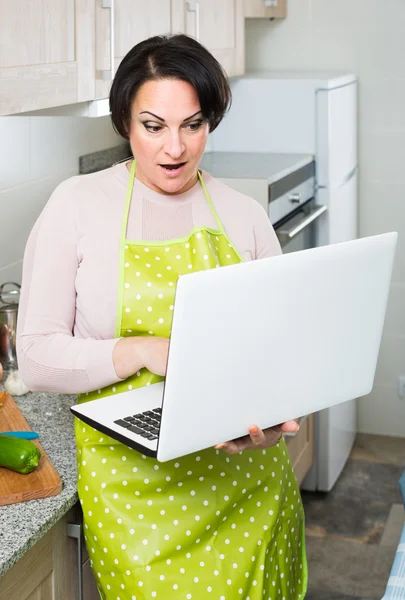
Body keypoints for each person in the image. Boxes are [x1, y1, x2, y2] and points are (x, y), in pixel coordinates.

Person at [17, 33, 307, 600]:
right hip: (136, 495)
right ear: (125, 121)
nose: (174, 148)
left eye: (192, 125)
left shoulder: (243, 216)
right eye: (154, 126)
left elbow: (280, 356)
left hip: (245, 487)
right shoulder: (76, 206)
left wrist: (272, 423)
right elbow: (37, 355)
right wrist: (144, 350)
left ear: (210, 122)